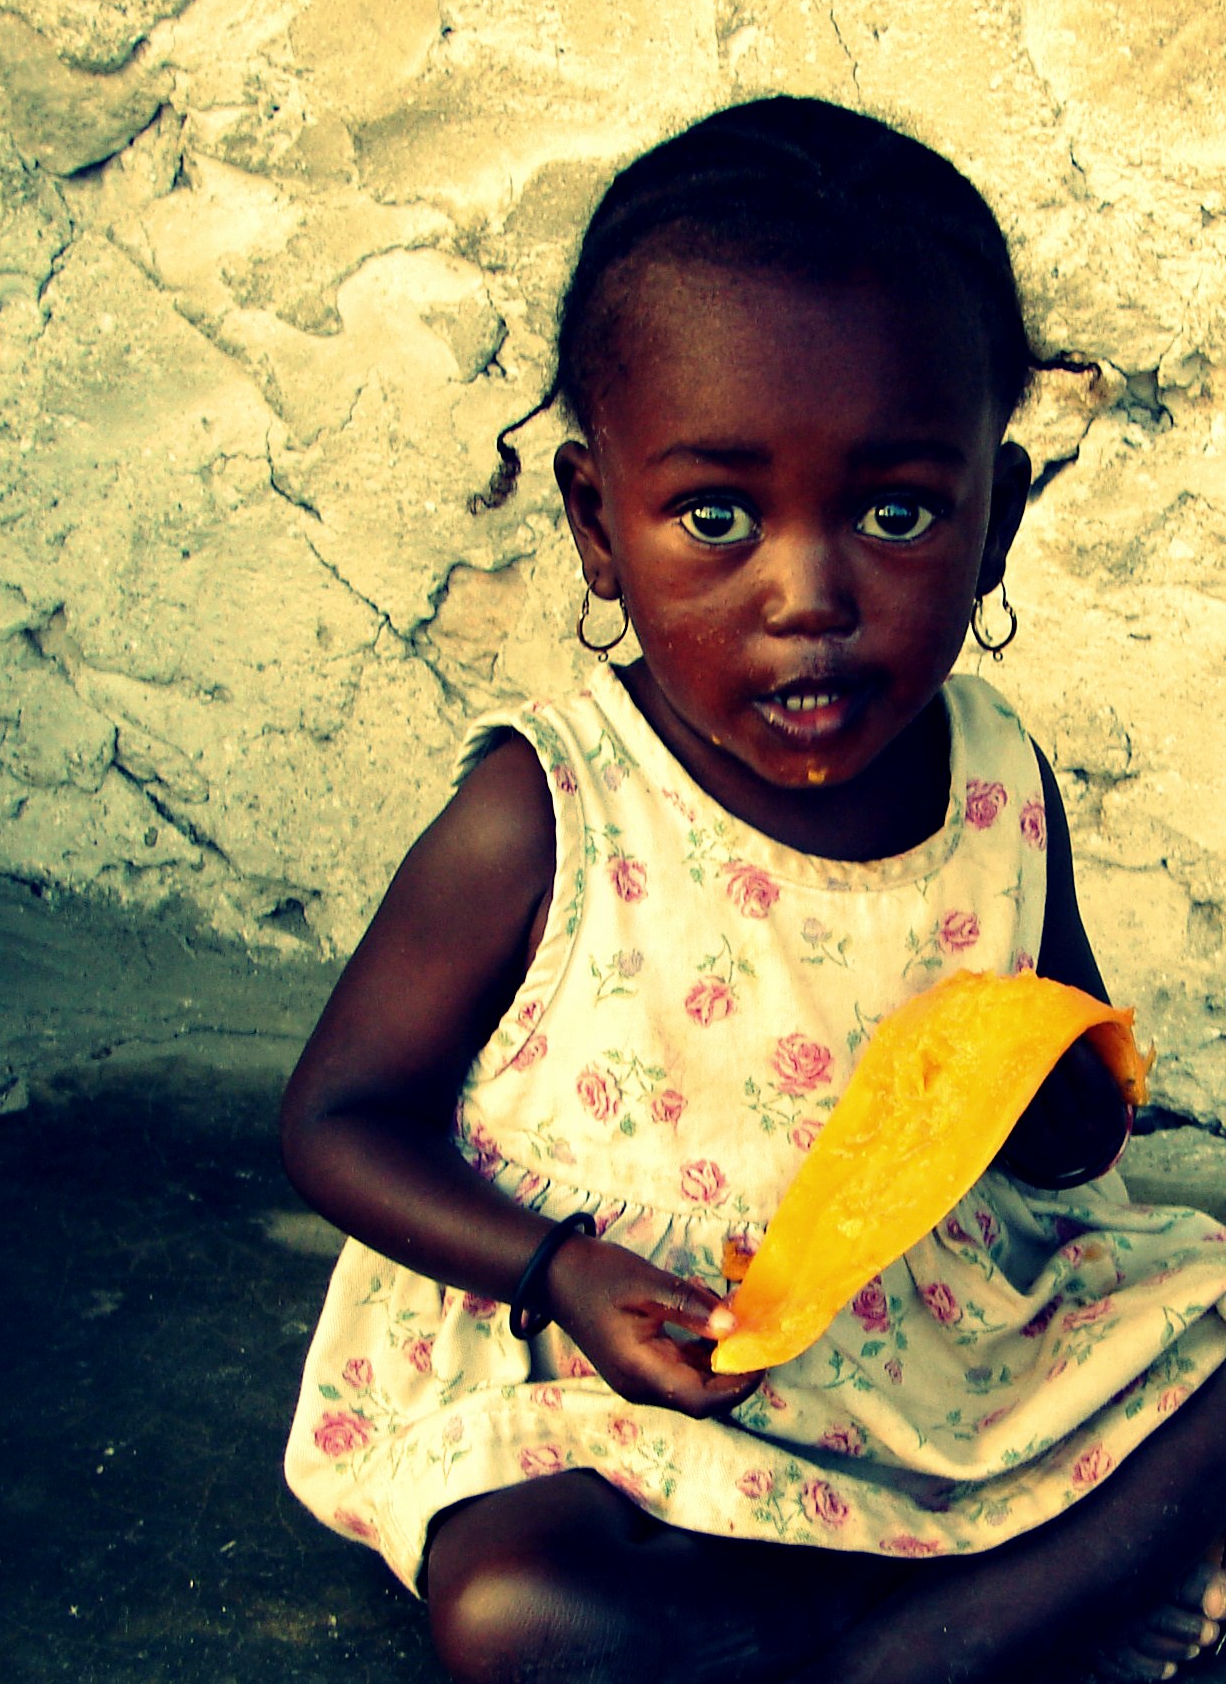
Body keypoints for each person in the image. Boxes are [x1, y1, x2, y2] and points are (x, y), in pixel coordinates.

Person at [281, 97, 1226, 1684]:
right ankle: (957, 1632)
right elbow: (335, 1121)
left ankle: (906, 1648)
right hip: (604, 1355)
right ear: (597, 524)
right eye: (717, 516)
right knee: (530, 1608)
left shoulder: (999, 779)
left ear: (996, 520)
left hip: (920, 1340)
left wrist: (1067, 1096)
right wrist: (559, 1271)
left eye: (898, 512)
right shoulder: (545, 807)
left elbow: (1058, 1108)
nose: (809, 596)